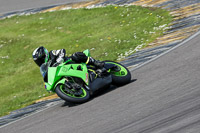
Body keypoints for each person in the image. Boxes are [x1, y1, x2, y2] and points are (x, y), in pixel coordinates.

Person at [32, 46, 105, 81]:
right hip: (64, 72)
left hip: (70, 63)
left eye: (40, 59)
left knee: (76, 56)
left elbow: (62, 50)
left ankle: (96, 63)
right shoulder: (47, 67)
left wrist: (58, 61)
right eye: (38, 61)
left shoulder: (52, 53)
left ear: (44, 55)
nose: (40, 62)